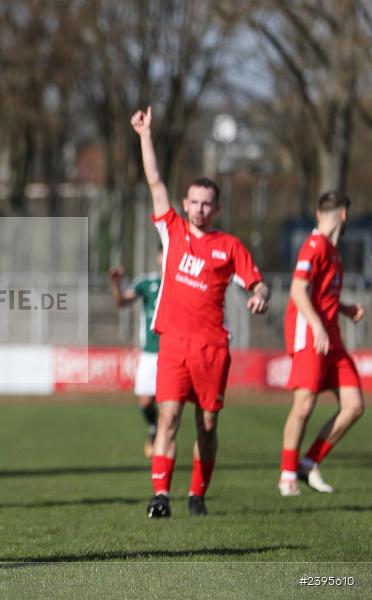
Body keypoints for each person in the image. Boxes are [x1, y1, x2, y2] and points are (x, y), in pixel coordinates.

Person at [130, 105, 270, 518]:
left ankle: (196, 494)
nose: (198, 209)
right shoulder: (171, 230)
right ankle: (160, 496)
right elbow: (154, 180)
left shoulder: (229, 247)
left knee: (206, 425)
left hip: (212, 348)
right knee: (169, 415)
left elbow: (257, 281)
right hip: (173, 344)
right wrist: (144, 136)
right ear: (186, 203)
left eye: (207, 204)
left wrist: (261, 293)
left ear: (217, 209)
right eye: (193, 202)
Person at [278, 191, 365, 496]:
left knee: (354, 406)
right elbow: (298, 290)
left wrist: (343, 309)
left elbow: (321, 293)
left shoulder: (331, 250)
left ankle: (308, 462)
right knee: (304, 404)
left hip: (331, 337)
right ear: (344, 214)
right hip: (311, 334)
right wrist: (317, 325)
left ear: (319, 213)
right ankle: (287, 475)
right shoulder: (314, 246)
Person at [108, 249, 163, 457]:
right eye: (162, 252)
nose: (166, 256)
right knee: (145, 402)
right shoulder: (146, 283)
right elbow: (121, 302)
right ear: (157, 256)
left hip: (173, 353)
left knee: (170, 407)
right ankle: (153, 428)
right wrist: (115, 283)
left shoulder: (183, 282)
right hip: (149, 353)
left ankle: (162, 449)